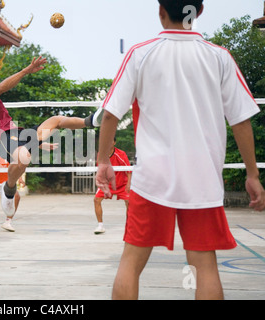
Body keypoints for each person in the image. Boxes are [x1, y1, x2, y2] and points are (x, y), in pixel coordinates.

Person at [95, 0, 265, 300]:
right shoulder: (219, 57)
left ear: (161, 11)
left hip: (152, 180)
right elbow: (240, 119)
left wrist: (103, 161)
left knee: (131, 262)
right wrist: (252, 174)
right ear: (199, 12)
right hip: (202, 181)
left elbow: (110, 114)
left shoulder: (140, 54)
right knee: (204, 266)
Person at [0, 57, 97, 217]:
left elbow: (16, 132)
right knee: (23, 156)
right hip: (2, 139)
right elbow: (2, 87)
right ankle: (9, 188)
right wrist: (27, 70)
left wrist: (39, 144)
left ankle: (90, 121)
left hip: (18, 134)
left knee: (55, 121)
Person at [94, 138, 131, 234]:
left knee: (129, 202)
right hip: (107, 184)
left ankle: (129, 226)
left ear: (114, 143)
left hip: (122, 184)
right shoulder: (101, 154)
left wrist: (129, 184)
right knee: (96, 200)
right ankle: (100, 226)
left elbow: (129, 170)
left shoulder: (121, 154)